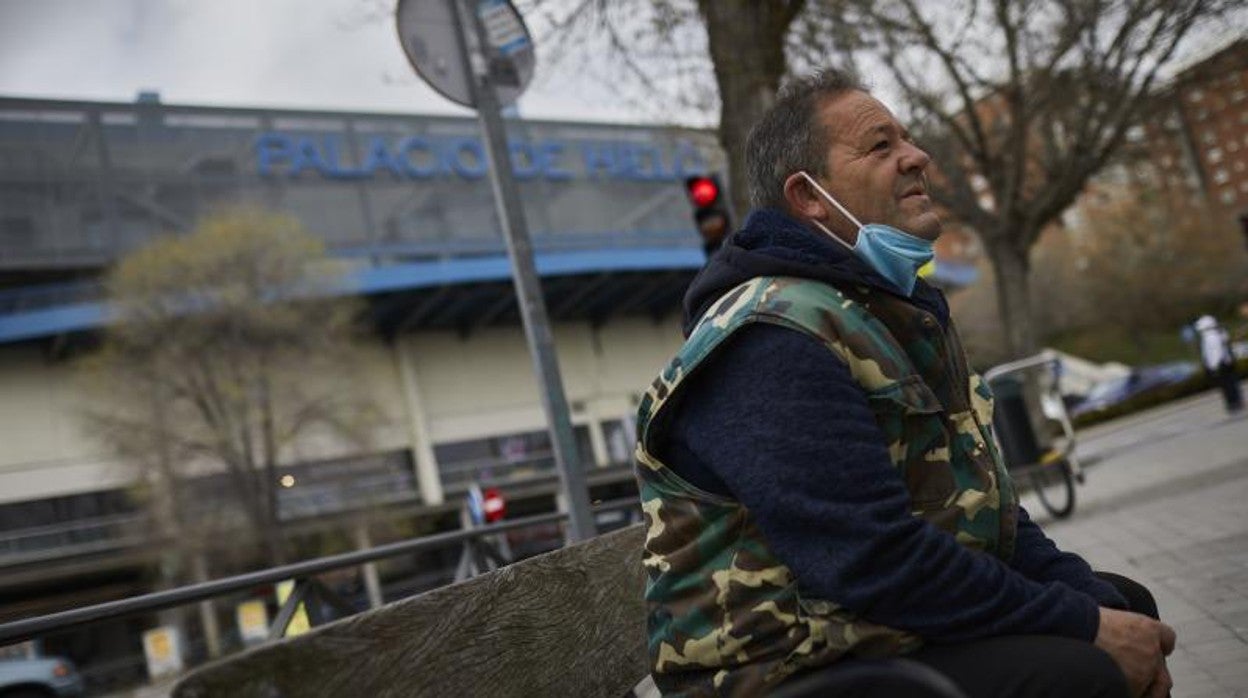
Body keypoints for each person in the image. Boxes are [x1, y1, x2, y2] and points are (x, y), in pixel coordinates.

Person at [633, 69, 1175, 698]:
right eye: (880, 145)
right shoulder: (769, 336)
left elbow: (986, 516)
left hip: (864, 629)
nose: (918, 157)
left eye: (908, 140)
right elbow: (870, 557)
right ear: (808, 196)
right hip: (776, 669)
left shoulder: (881, 312)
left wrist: (1095, 604)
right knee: (1082, 669)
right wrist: (1085, 626)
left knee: (1128, 604)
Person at [1194, 315, 1242, 414]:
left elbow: (1215, 352)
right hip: (1227, 362)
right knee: (1231, 383)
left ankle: (1233, 404)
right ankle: (1236, 401)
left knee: (1226, 386)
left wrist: (1214, 367)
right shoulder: (1219, 333)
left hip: (1220, 364)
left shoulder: (1210, 337)